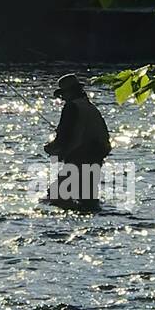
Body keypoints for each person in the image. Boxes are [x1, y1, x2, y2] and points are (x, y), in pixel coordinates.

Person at [43, 73, 111, 210]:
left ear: (69, 92)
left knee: (55, 195)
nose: (62, 98)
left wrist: (50, 148)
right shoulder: (91, 107)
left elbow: (63, 137)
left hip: (80, 159)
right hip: (96, 158)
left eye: (63, 95)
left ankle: (67, 225)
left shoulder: (71, 108)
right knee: (88, 201)